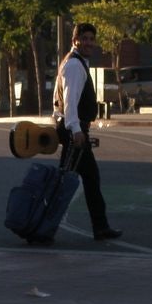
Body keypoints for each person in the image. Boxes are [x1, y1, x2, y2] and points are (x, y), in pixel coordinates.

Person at [53, 22, 122, 241]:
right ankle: (44, 223)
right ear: (75, 41)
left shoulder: (75, 62)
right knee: (75, 180)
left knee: (79, 179)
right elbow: (70, 101)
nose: (89, 43)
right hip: (74, 129)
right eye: (84, 39)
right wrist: (75, 130)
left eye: (92, 39)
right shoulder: (74, 65)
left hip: (72, 128)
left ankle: (98, 227)